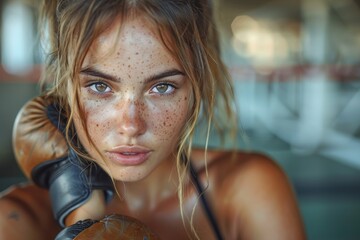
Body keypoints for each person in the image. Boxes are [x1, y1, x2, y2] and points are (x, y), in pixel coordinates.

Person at [0, 0, 306, 239]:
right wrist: (84, 219)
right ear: (65, 87)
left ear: (196, 86)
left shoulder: (246, 190)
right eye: (100, 86)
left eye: (162, 87)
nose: (130, 125)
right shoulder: (16, 220)